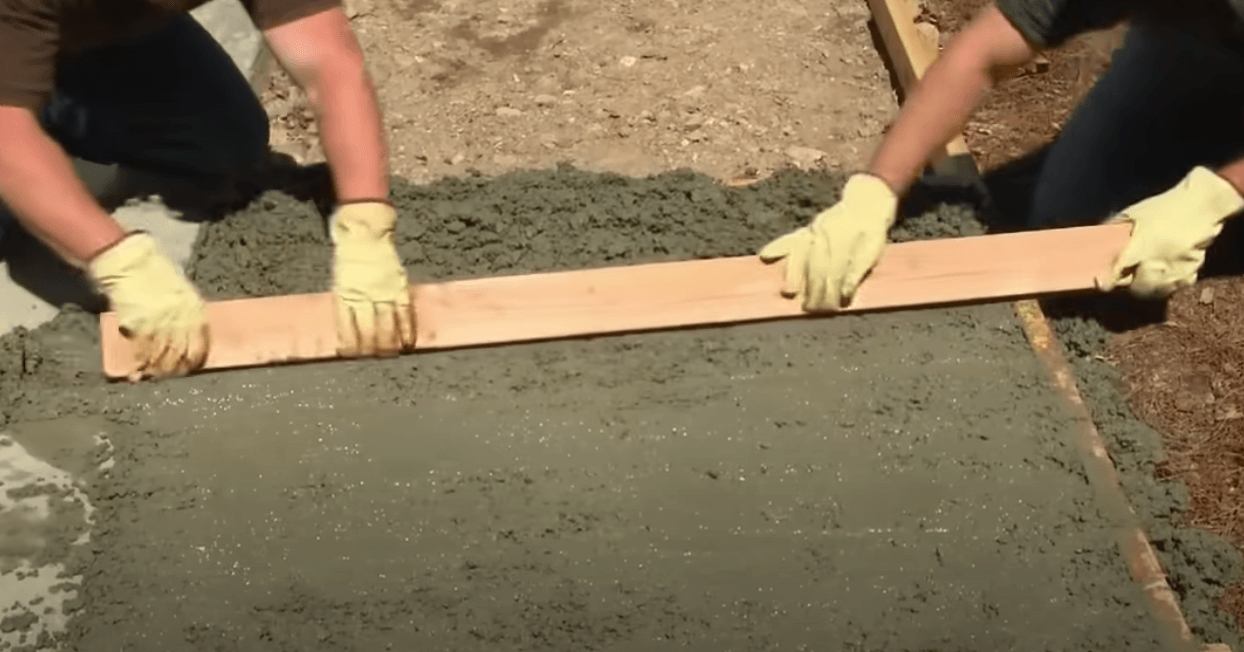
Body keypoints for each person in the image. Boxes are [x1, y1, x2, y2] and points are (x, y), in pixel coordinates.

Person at [0, 0, 416, 381]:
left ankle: (47, 118)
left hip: (90, 31)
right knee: (18, 165)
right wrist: (121, 263)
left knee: (224, 146)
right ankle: (41, 144)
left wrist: (367, 221)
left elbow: (329, 63)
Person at [760, 0, 1244, 311]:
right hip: (1203, 36)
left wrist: (1214, 196)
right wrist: (875, 191)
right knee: (1070, 223)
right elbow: (983, 55)